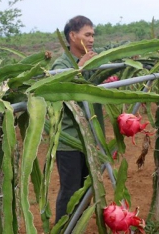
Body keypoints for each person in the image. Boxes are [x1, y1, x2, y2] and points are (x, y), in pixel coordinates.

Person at [52, 15, 114, 223]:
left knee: (87, 187)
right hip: (68, 140)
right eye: (87, 35)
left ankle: (77, 226)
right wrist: (79, 67)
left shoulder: (94, 60)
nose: (91, 40)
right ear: (72, 35)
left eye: (93, 35)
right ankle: (62, 228)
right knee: (70, 189)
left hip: (91, 139)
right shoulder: (60, 64)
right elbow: (56, 88)